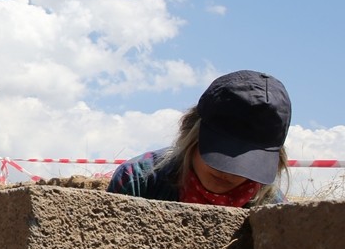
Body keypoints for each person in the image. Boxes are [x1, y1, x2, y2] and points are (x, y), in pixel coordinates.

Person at [107, 70, 290, 207]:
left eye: (249, 162)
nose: (229, 172)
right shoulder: (138, 182)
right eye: (222, 151)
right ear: (192, 133)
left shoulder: (274, 209)